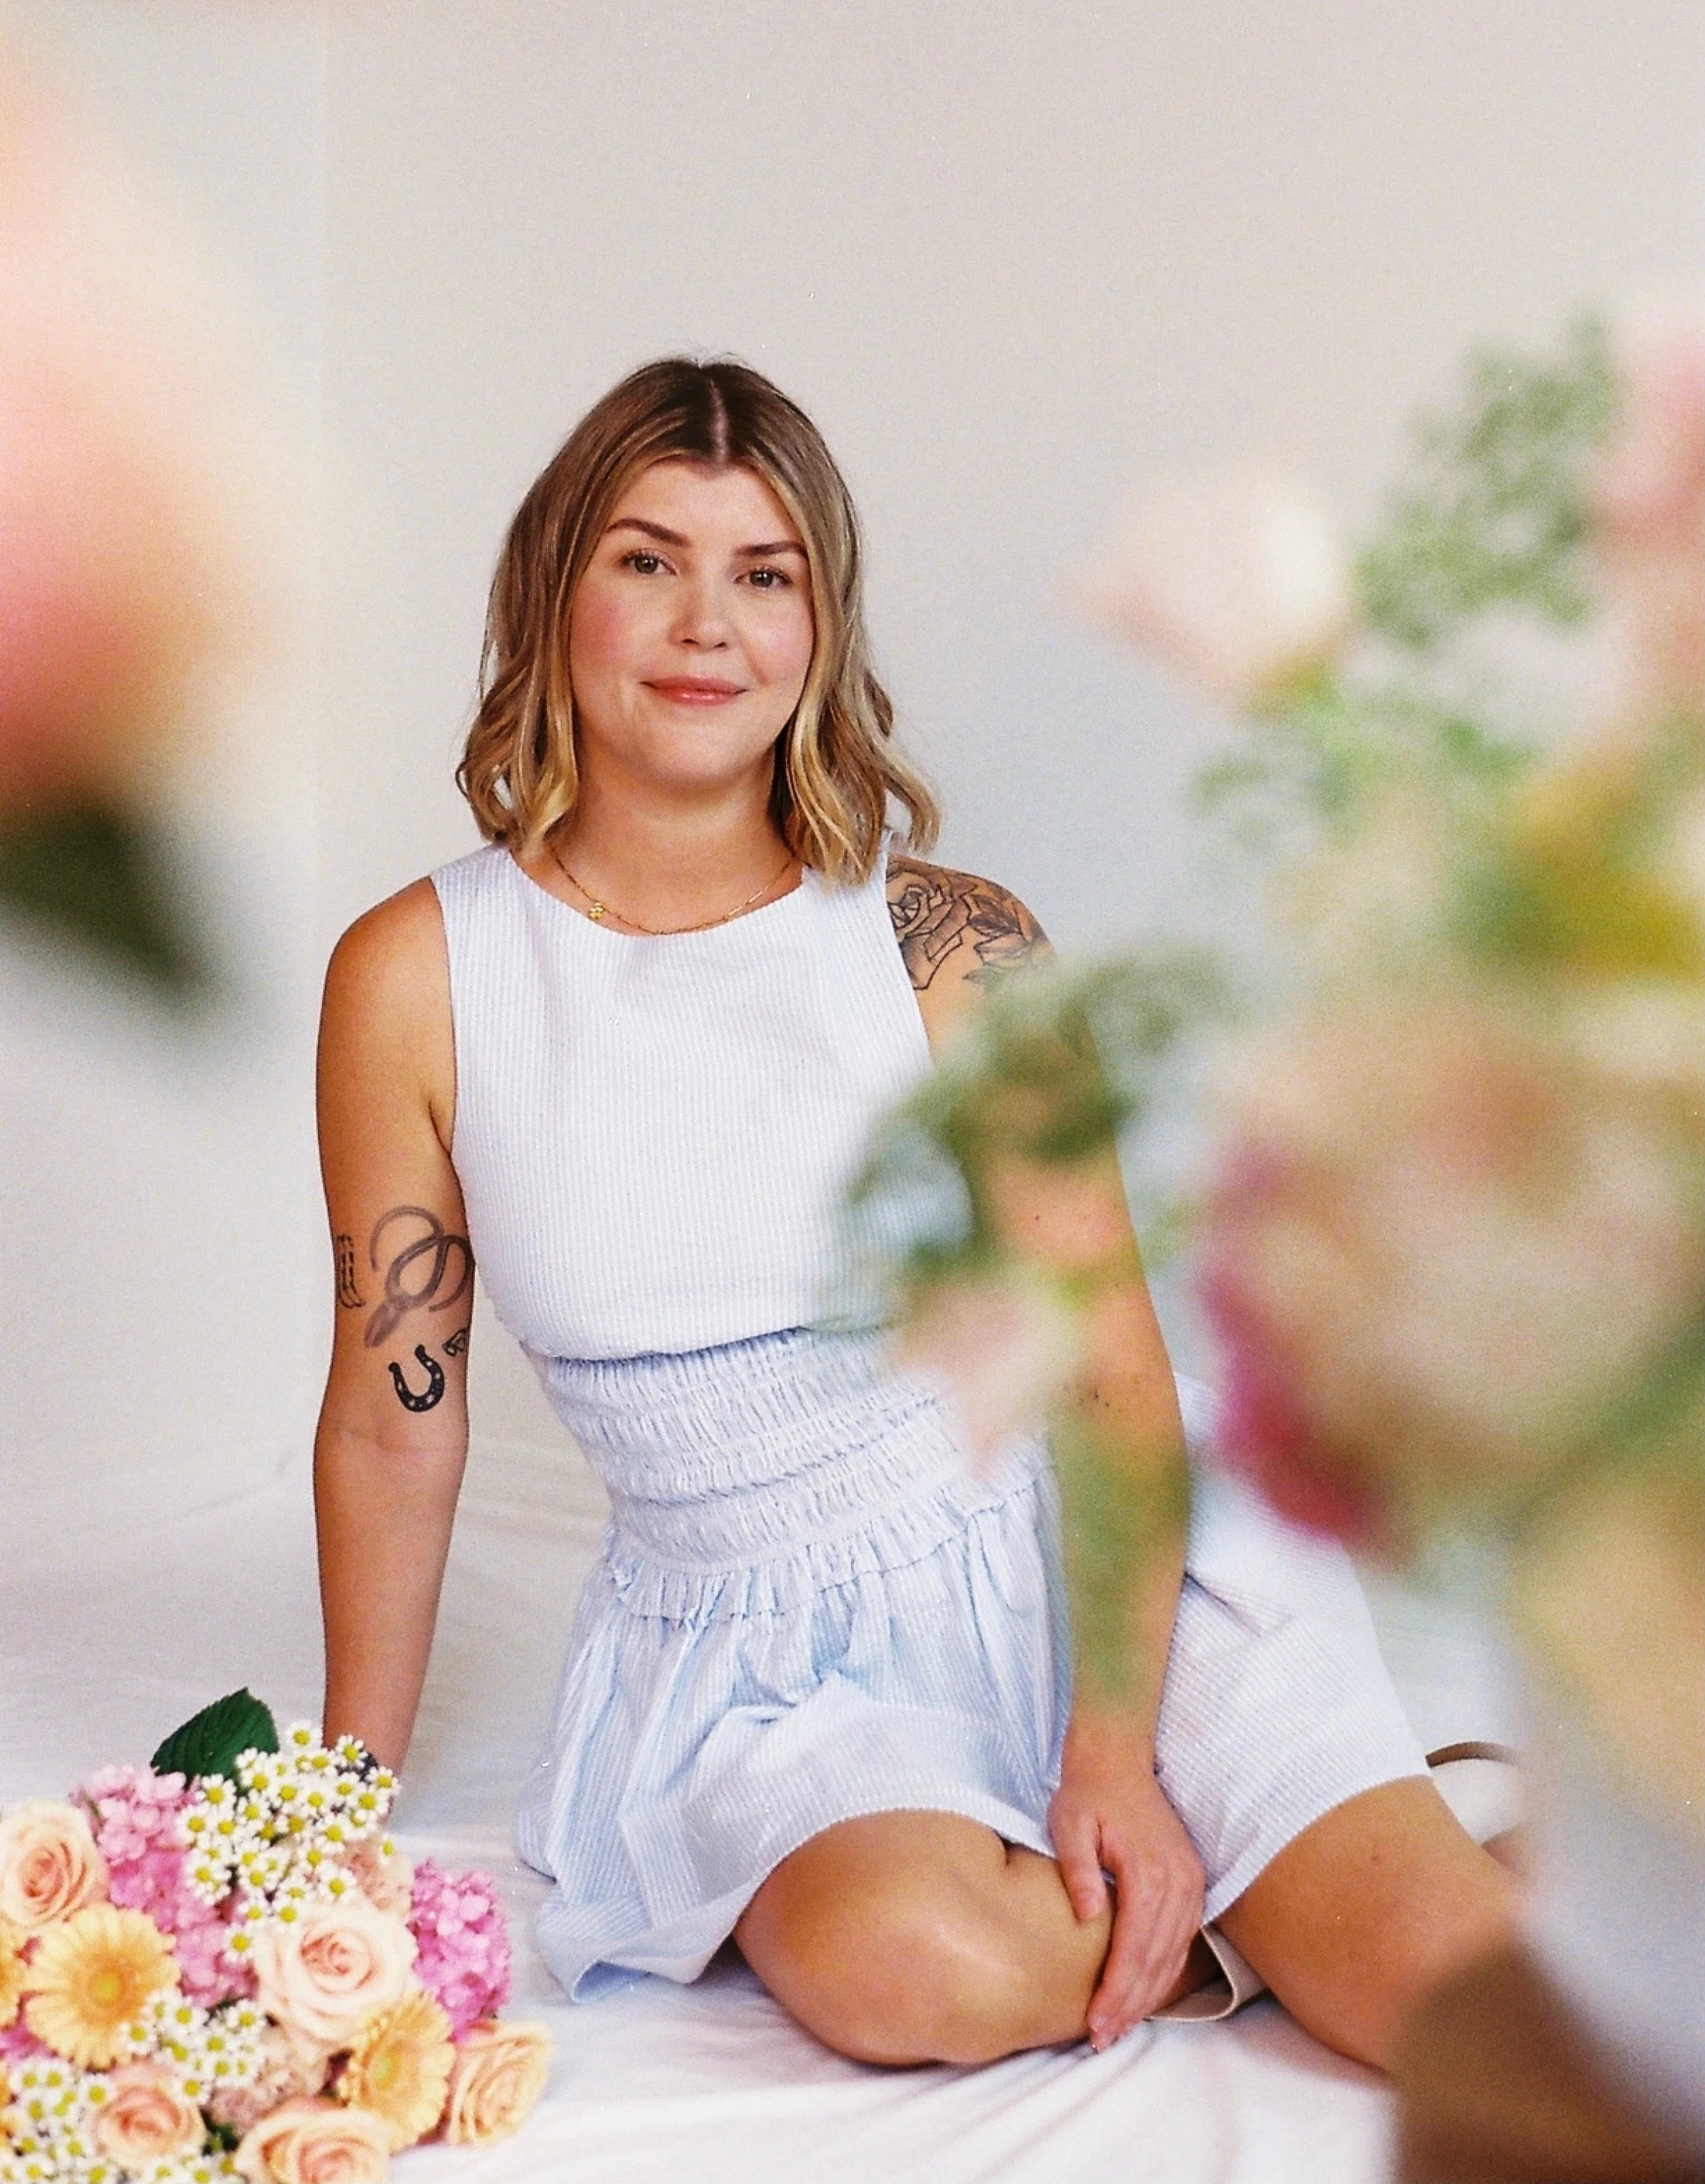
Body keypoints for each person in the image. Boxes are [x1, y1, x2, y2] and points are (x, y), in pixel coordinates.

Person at [314, 357, 1515, 2073]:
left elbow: (1105, 1375)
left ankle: (1376, 1859)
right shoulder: (418, 978)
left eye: (766, 572)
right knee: (919, 1976)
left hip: (1091, 1566)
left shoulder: (949, 944)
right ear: (552, 588)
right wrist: (331, 1809)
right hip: (763, 1664)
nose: (704, 622)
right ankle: (1240, 1929)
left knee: (1476, 2021)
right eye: (647, 560)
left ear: (819, 623)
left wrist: (1110, 1752)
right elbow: (390, 1428)